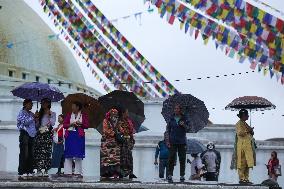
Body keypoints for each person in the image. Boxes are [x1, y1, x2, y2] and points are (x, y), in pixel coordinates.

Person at [63, 101, 89, 177]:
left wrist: (81, 124)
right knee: (68, 153)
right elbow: (64, 125)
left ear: (78, 107)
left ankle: (78, 172)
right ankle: (68, 171)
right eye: (72, 106)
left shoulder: (83, 115)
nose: (72, 107)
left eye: (74, 106)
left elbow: (87, 125)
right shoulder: (68, 115)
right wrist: (71, 124)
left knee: (78, 154)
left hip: (79, 135)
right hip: (70, 135)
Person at [233, 109, 256, 184]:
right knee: (242, 163)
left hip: (248, 146)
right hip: (242, 146)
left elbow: (250, 133)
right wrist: (248, 130)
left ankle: (246, 178)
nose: (248, 116)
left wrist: (251, 131)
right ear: (242, 116)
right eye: (246, 115)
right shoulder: (238, 124)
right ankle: (242, 178)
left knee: (247, 163)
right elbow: (240, 133)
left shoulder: (245, 123)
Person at [34, 98, 56, 176]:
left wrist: (49, 116)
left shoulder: (52, 113)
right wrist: (36, 118)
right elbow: (36, 126)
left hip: (47, 134)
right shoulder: (40, 114)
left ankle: (45, 169)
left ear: (48, 104)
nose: (43, 104)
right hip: (40, 134)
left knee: (47, 151)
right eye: (42, 103)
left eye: (44, 103)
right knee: (38, 151)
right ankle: (38, 168)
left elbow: (52, 124)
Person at [167, 104, 189, 183]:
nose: (175, 110)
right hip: (172, 141)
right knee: (171, 158)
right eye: (175, 108)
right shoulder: (171, 118)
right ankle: (170, 174)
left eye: (177, 109)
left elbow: (188, 128)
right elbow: (168, 130)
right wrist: (167, 141)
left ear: (180, 110)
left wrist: (184, 125)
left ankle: (182, 175)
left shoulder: (185, 118)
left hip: (182, 142)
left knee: (182, 158)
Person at [17, 99, 37, 178]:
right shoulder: (21, 112)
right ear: (25, 104)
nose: (31, 105)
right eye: (30, 104)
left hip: (32, 135)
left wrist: (36, 119)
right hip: (25, 134)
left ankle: (29, 170)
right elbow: (24, 122)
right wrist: (33, 118)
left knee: (31, 153)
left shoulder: (31, 113)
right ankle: (22, 171)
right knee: (24, 153)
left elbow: (34, 125)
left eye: (32, 104)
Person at [100, 109, 121, 179]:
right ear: (110, 114)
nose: (114, 115)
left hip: (115, 143)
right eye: (113, 113)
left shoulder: (118, 122)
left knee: (115, 159)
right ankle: (106, 173)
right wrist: (113, 133)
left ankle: (115, 173)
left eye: (116, 114)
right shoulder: (105, 121)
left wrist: (120, 130)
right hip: (107, 143)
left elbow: (121, 130)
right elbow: (105, 130)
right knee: (106, 158)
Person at [117, 107, 137, 179]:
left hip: (128, 142)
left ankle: (130, 172)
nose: (128, 114)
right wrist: (125, 131)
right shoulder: (119, 122)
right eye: (127, 112)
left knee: (129, 157)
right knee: (122, 158)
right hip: (122, 142)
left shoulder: (129, 121)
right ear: (123, 113)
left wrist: (131, 133)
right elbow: (120, 131)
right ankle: (121, 173)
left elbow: (131, 131)